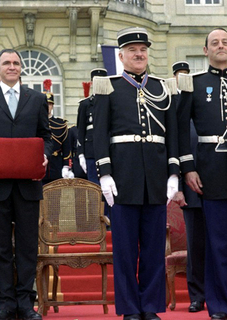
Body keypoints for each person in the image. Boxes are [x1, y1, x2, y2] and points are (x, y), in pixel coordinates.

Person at [92, 27, 179, 320]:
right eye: (132, 50)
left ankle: (150, 306)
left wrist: (174, 172)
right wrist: (104, 173)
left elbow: (174, 135)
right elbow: (99, 134)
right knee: (126, 251)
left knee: (154, 248)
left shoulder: (162, 87)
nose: (139, 54)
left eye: (142, 49)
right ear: (121, 55)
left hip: (155, 178)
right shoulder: (108, 86)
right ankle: (130, 308)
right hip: (123, 177)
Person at [0, 48, 53, 320]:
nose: (12, 67)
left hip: (28, 185)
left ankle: (26, 304)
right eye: (7, 63)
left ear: (21, 68)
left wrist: (44, 154)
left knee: (28, 245)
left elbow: (47, 137)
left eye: (16, 63)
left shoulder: (37, 99)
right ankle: (5, 304)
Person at [177, 28, 227, 320]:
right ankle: (219, 306)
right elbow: (181, 131)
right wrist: (188, 169)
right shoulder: (193, 84)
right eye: (214, 43)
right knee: (216, 244)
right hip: (209, 172)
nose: (220, 46)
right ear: (205, 51)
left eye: (225, 42)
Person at [77, 68, 107, 183]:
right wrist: (81, 154)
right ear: (91, 82)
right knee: (94, 187)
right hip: (91, 151)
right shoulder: (85, 104)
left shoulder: (113, 102)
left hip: (110, 150)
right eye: (96, 80)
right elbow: (81, 130)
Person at [42, 91, 73, 183]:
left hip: (56, 165)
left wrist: (66, 166)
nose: (48, 106)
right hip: (41, 163)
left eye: (50, 104)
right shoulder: (35, 123)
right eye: (46, 104)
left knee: (56, 195)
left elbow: (66, 147)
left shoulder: (61, 124)